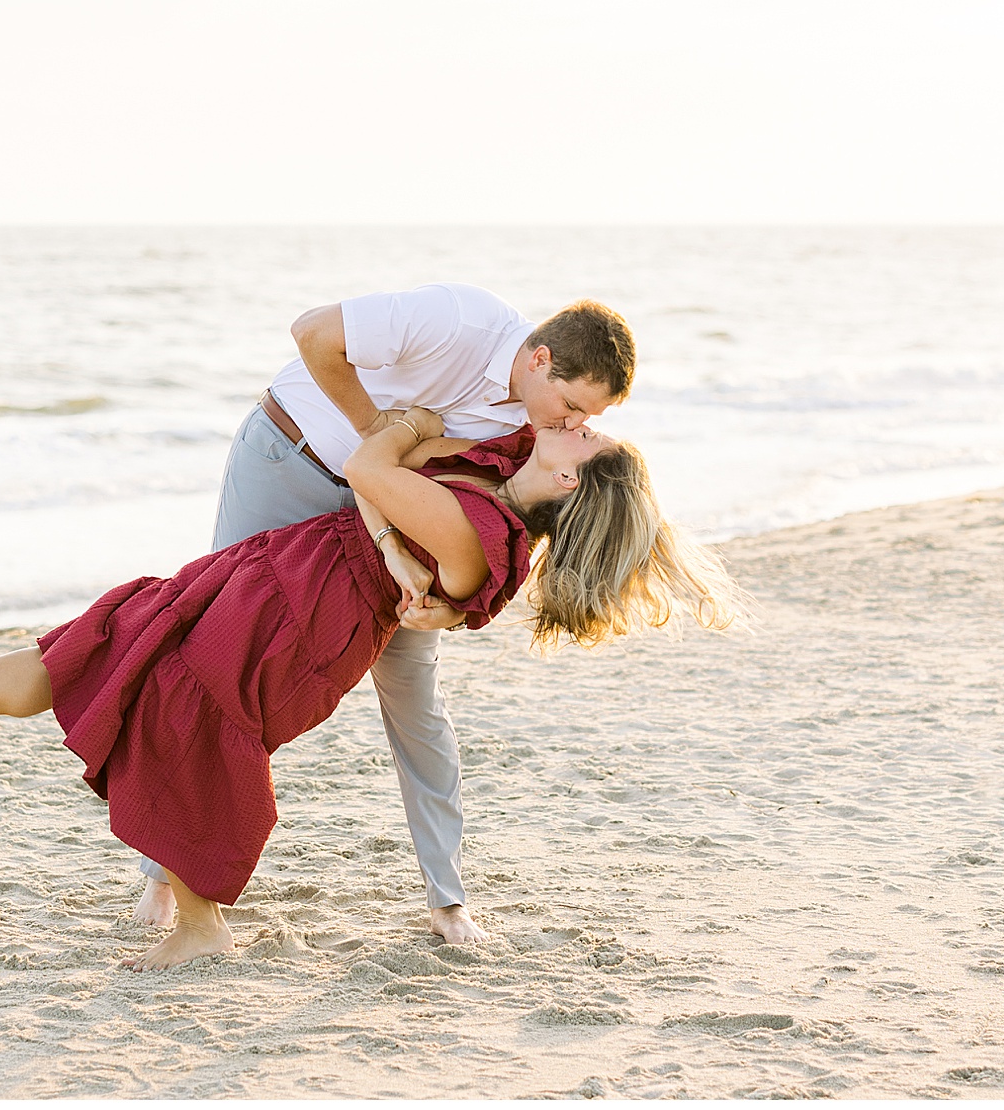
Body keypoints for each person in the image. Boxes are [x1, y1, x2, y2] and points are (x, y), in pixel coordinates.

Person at [0, 406, 744, 970]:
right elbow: (413, 450)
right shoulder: (502, 474)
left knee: (177, 715)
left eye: (585, 433)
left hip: (295, 623)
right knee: (106, 646)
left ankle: (204, 923)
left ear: (572, 479)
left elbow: (369, 466)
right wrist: (428, 431)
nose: (573, 422)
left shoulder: (478, 537)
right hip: (282, 583)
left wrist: (411, 429)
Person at [151, 282, 638, 946]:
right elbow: (313, 331)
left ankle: (447, 898)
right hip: (288, 461)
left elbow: (533, 506)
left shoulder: (537, 426)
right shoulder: (459, 321)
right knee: (210, 659)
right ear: (539, 359)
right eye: (572, 403)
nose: (567, 423)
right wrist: (378, 429)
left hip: (380, 520)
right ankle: (159, 872)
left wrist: (458, 607)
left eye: (585, 415)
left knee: (417, 702)